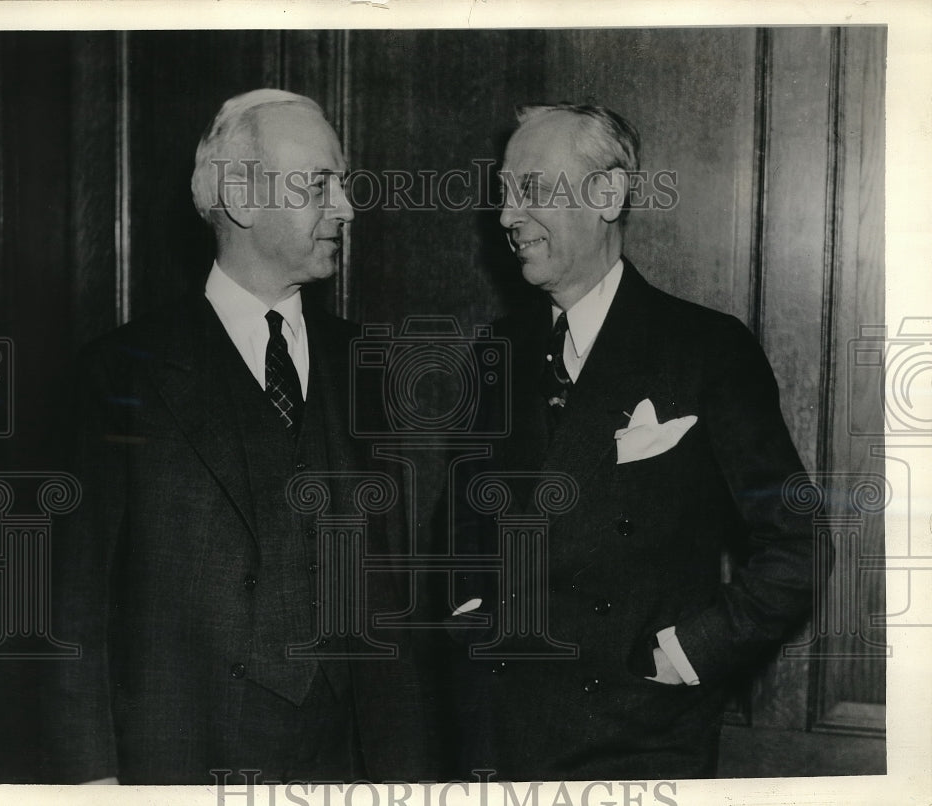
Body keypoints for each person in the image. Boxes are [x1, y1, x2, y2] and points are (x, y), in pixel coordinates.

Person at [47, 89, 430, 785]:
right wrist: (91, 783)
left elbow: (396, 596)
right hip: (183, 761)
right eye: (321, 184)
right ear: (244, 198)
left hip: (350, 763)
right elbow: (72, 600)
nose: (346, 207)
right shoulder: (117, 376)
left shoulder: (372, 365)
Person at [445, 103, 824, 780]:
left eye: (531, 189)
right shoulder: (497, 351)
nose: (506, 216)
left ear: (608, 195)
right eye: (504, 193)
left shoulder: (707, 350)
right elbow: (462, 523)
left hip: (640, 740)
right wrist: (471, 612)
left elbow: (797, 546)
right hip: (498, 736)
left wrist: (690, 653)